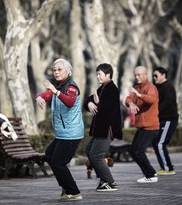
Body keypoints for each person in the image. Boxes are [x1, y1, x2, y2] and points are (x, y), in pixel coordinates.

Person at [35, 58, 84, 201]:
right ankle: (66, 189)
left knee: (58, 163)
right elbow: (46, 95)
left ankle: (74, 192)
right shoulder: (59, 86)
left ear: (68, 71)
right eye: (54, 70)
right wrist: (39, 97)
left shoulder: (71, 87)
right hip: (63, 134)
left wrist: (55, 91)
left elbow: (70, 102)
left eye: (59, 69)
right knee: (50, 155)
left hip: (71, 134)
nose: (56, 72)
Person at [83, 63, 123, 192]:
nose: (98, 77)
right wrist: (89, 103)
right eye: (97, 74)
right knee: (89, 150)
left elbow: (108, 110)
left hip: (107, 129)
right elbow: (88, 100)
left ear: (108, 74)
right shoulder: (102, 88)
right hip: (99, 129)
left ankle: (110, 182)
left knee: (96, 155)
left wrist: (97, 102)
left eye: (99, 74)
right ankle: (103, 180)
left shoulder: (112, 89)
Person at [124, 66, 159, 183]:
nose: (137, 77)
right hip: (141, 127)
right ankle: (148, 174)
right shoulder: (137, 88)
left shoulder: (151, 87)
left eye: (139, 74)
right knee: (133, 150)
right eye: (135, 75)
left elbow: (152, 100)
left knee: (139, 151)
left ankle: (151, 174)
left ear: (146, 75)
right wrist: (131, 104)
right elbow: (127, 99)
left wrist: (139, 95)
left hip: (150, 127)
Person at [152, 67, 179, 175]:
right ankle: (164, 167)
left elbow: (167, 103)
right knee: (156, 143)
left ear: (163, 75)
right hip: (162, 120)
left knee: (159, 143)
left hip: (169, 120)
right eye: (153, 76)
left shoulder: (168, 87)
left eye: (156, 75)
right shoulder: (158, 87)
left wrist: (154, 110)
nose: (154, 78)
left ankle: (168, 168)